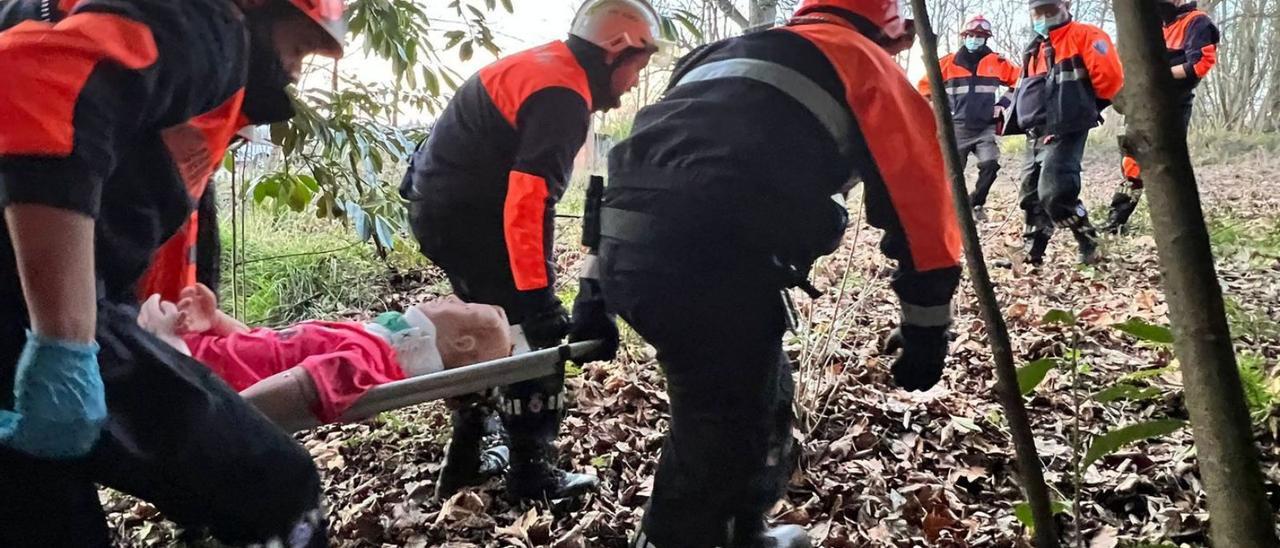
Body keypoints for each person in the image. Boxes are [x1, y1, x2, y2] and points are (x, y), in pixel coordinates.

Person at [595, 0, 963, 545]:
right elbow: (922, 208)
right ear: (885, 29)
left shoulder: (720, 52)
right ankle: (681, 535)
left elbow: (650, 159)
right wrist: (927, 326)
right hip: (708, 259)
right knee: (720, 422)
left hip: (629, 250)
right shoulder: (866, 63)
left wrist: (590, 289)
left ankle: (742, 531)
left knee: (756, 396)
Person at [0, 0, 345, 545]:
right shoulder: (209, 25)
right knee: (274, 487)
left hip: (50, 298)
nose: (298, 71)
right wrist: (65, 341)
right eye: (298, 47)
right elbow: (29, 78)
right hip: (31, 308)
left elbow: (128, 214)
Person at [399, 0, 661, 501]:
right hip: (474, 220)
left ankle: (469, 457)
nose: (632, 84)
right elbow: (528, 201)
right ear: (615, 51)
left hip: (439, 210)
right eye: (638, 67)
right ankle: (532, 476)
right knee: (531, 337)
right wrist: (538, 295)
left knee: (486, 327)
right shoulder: (563, 94)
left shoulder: (541, 65)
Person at [137, 285, 514, 432]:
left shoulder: (367, 363)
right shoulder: (374, 340)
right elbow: (270, 348)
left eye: (466, 306)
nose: (453, 299)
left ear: (462, 343)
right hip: (195, 353)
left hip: (180, 374)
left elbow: (282, 393)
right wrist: (216, 321)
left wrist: (177, 359)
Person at [1001, 0, 1123, 266]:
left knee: (1056, 193)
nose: (1043, 17)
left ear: (1065, 5)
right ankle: (1033, 252)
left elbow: (1110, 81)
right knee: (1030, 194)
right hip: (1036, 129)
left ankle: (1088, 240)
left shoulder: (1086, 36)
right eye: (1038, 12)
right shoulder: (1034, 47)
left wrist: (1082, 109)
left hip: (1067, 127)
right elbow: (1024, 87)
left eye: (1049, 10)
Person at [1100, 0, 1219, 234]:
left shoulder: (1197, 22)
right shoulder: (1154, 26)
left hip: (1173, 103)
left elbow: (1200, 64)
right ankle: (1117, 219)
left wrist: (1157, 74)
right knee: (1132, 161)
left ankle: (1182, 226)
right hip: (1143, 101)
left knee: (1168, 164)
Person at [917, 14, 1020, 221]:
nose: (975, 39)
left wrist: (1002, 104)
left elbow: (1020, 82)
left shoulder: (997, 62)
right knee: (952, 174)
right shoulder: (947, 63)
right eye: (971, 35)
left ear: (986, 39)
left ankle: (977, 203)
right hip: (957, 128)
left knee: (990, 165)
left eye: (980, 36)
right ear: (964, 36)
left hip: (985, 128)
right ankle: (948, 211)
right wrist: (944, 106)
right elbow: (924, 87)